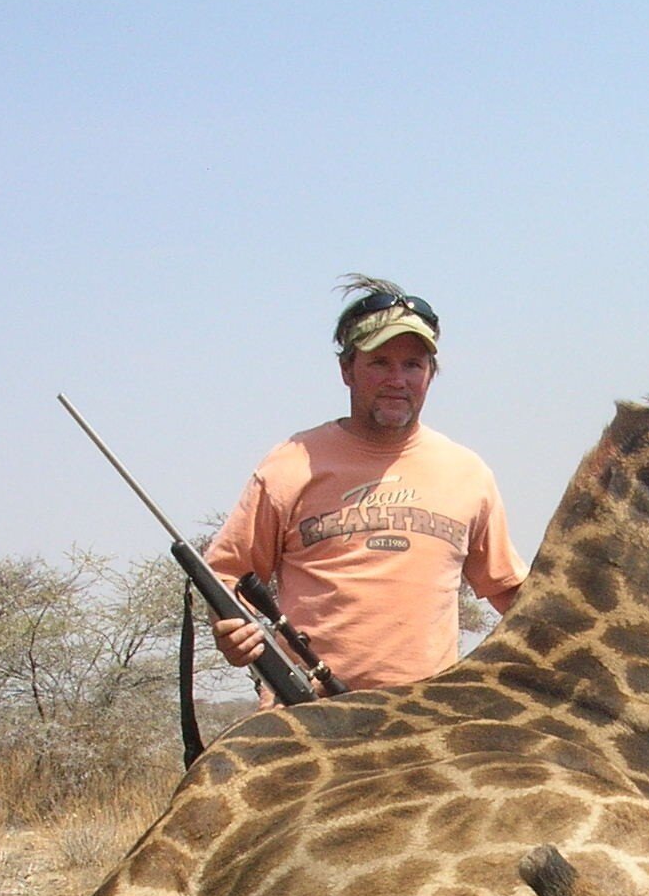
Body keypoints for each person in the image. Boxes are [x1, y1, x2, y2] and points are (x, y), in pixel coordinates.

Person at [206, 279, 527, 694]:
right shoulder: (290, 463)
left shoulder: (468, 472)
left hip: (426, 716)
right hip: (307, 712)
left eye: (413, 364)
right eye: (380, 362)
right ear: (347, 370)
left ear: (430, 374)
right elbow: (225, 575)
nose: (398, 379)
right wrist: (232, 633)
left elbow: (509, 592)